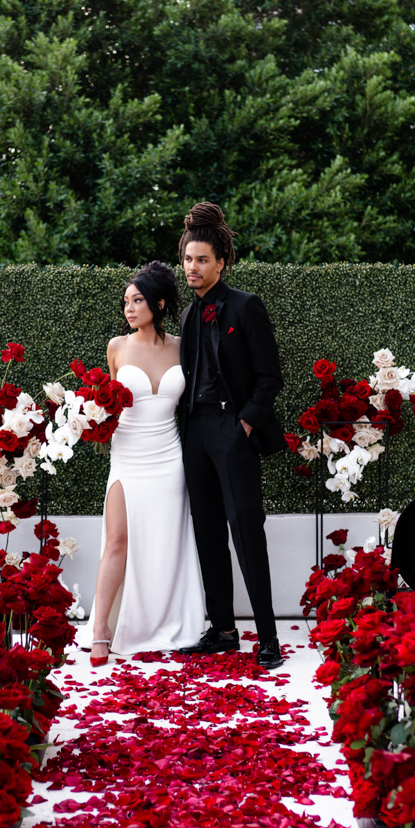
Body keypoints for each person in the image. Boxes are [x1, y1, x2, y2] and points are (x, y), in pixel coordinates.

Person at [176, 202, 286, 670]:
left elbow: (270, 377)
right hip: (195, 430)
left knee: (246, 530)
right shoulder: (185, 315)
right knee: (206, 532)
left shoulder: (246, 306)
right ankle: (222, 630)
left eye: (202, 259)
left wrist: (244, 422)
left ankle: (268, 638)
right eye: (187, 260)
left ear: (221, 261)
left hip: (231, 427)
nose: (193, 268)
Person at [85, 262, 206, 664]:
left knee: (164, 544)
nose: (129, 309)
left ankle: (162, 621)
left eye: (137, 300)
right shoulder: (117, 347)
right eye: (125, 302)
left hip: (170, 457)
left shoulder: (181, 345)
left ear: (158, 302)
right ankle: (102, 628)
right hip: (128, 456)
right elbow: (107, 404)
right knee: (117, 539)